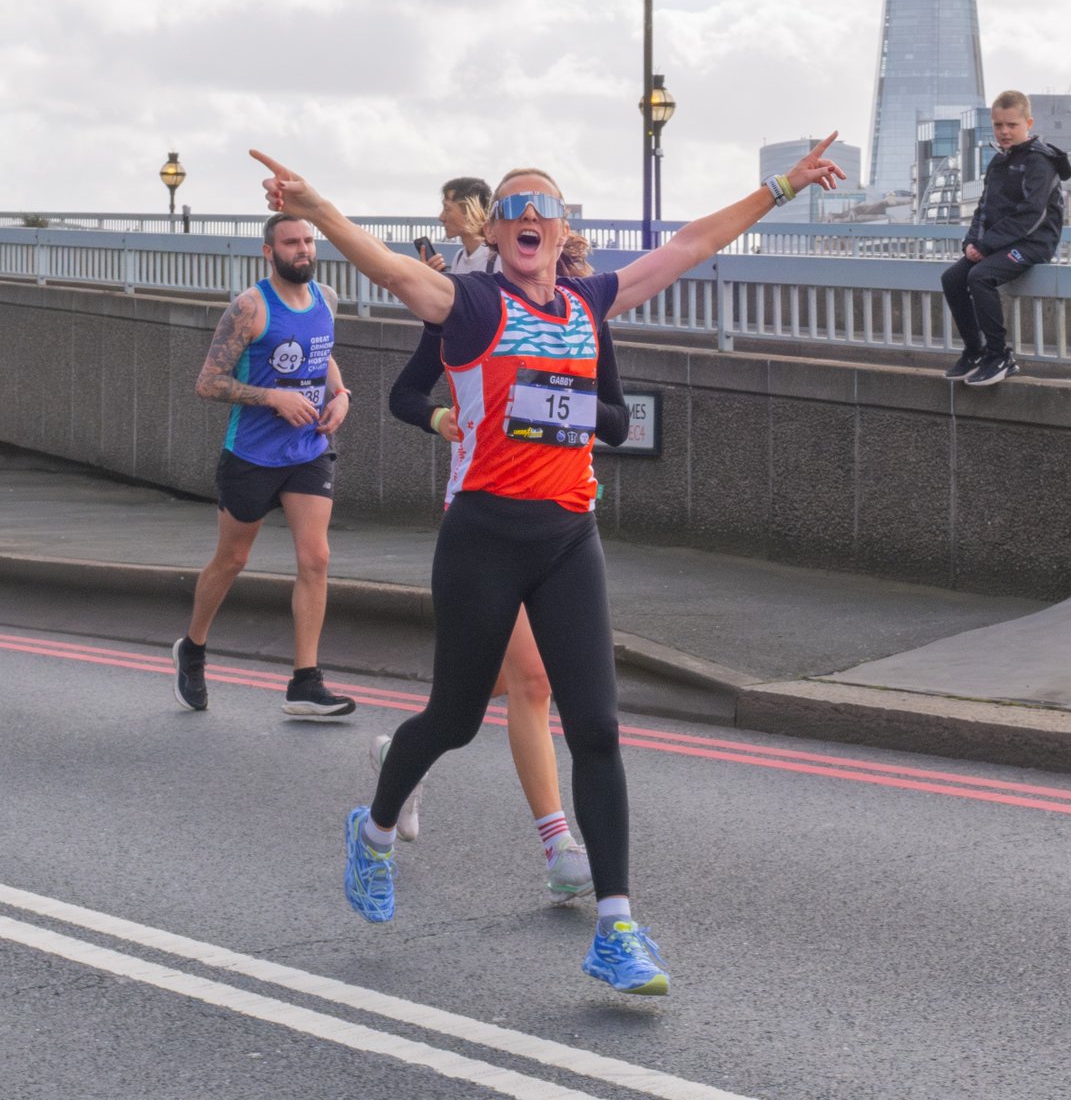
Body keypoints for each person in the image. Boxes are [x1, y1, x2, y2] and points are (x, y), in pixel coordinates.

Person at [251, 137, 844, 996]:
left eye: (547, 208)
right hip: (483, 537)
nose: (531, 217)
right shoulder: (470, 304)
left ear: (566, 233)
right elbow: (387, 271)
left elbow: (688, 246)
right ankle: (373, 830)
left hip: (570, 538)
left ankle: (616, 926)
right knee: (453, 720)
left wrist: (781, 187)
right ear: (493, 231)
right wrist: (315, 210)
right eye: (515, 208)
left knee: (598, 729)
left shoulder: (588, 301)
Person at [382, 204, 630, 907]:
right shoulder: (470, 311)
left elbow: (612, 416)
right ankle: (557, 843)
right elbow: (406, 392)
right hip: (485, 516)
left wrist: (564, 403)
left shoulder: (583, 320)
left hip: (561, 518)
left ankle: (409, 752)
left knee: (511, 688)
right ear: (495, 236)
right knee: (529, 680)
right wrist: (440, 417)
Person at [171, 213, 356, 719]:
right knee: (232, 560)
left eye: (307, 241)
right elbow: (208, 382)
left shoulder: (328, 299)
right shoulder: (249, 308)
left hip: (308, 451)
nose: (303, 250)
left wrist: (340, 396)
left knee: (315, 557)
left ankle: (305, 682)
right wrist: (272, 396)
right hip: (251, 455)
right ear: (268, 252)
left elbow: (324, 357)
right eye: (291, 242)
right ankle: (193, 647)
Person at [941, 90, 1071, 387]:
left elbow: (1031, 216)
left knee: (981, 277)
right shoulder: (998, 162)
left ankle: (1000, 357)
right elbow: (983, 210)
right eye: (998, 125)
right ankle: (976, 351)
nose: (1004, 132)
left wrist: (986, 246)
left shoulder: (1040, 162)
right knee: (952, 278)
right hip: (1000, 244)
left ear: (1028, 123)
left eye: (1011, 125)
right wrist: (971, 243)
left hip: (1033, 244)